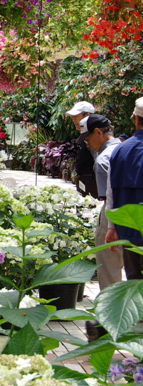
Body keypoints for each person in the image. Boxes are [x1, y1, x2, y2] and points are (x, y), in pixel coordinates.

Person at [83, 114, 123, 290]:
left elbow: (108, 197)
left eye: (87, 138)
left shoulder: (103, 159)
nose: (87, 144)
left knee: (109, 267)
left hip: (112, 214)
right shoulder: (126, 149)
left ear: (98, 132)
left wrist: (111, 227)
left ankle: (110, 313)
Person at [105, 96, 143, 279]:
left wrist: (111, 227)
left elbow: (110, 192)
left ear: (136, 119)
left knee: (134, 284)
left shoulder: (120, 150)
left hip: (129, 232)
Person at [66, 100, 98, 198]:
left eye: (76, 116)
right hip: (84, 180)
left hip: (91, 181)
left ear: (87, 115)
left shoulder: (93, 135)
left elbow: (99, 159)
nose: (74, 120)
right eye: (72, 117)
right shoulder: (84, 135)